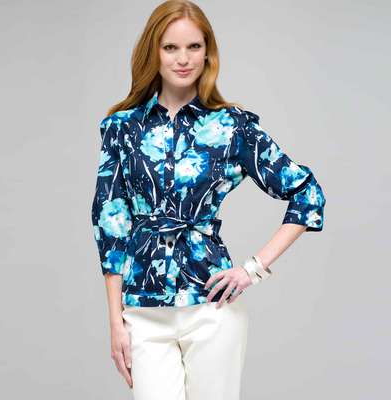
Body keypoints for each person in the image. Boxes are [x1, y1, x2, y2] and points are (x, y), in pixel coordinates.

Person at [90, 1, 326, 399]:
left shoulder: (232, 126)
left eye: (194, 47)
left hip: (211, 308)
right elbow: (110, 221)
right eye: (170, 47)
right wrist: (116, 321)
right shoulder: (122, 128)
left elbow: (307, 193)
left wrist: (252, 270)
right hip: (143, 310)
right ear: (153, 52)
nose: (183, 59)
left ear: (207, 53)